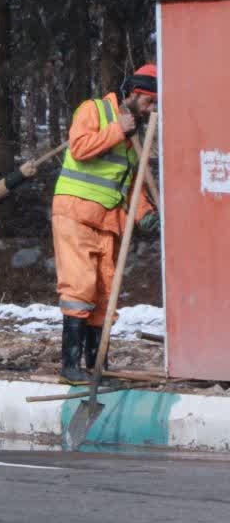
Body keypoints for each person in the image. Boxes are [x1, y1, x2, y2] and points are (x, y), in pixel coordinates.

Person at [53, 65, 159, 384]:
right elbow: (80, 147)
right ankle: (69, 367)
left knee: (104, 294)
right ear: (136, 94)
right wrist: (117, 130)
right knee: (79, 288)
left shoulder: (135, 135)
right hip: (75, 215)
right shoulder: (94, 110)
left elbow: (132, 184)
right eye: (149, 103)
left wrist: (145, 214)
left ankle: (97, 365)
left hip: (108, 222)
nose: (151, 110)